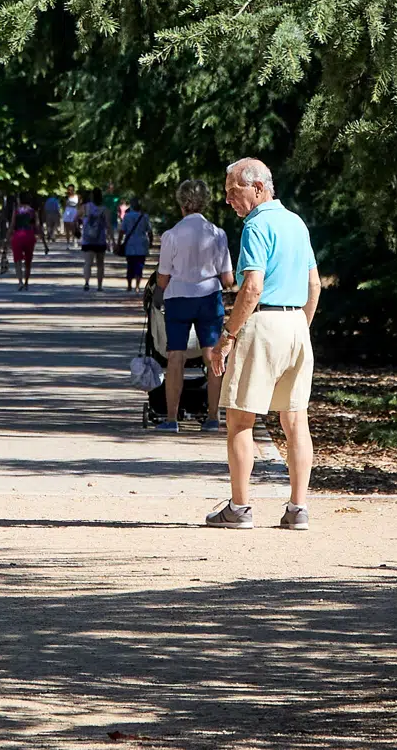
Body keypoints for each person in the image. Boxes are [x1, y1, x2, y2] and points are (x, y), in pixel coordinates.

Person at [206, 158, 320, 532]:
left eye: (232, 191)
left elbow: (252, 287)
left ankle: (239, 508)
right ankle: (298, 509)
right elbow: (314, 285)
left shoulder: (256, 226)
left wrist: (227, 336)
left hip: (264, 323)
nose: (228, 199)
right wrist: (300, 326)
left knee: (240, 419)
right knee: (295, 420)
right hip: (296, 324)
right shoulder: (296, 223)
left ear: (257, 188)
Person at [154, 179, 235, 433]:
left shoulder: (171, 235)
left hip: (178, 299)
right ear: (205, 203)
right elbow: (228, 279)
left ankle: (171, 419)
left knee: (175, 357)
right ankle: (212, 417)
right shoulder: (217, 234)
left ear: (181, 204)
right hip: (209, 299)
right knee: (212, 357)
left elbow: (163, 278)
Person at [116, 196, 152, 291]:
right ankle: (137, 286)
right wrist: (150, 242)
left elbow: (122, 231)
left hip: (130, 244)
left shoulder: (127, 216)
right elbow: (149, 231)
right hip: (142, 244)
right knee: (139, 265)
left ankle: (129, 285)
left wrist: (118, 243)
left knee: (130, 265)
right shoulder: (144, 217)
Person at [79, 187, 111, 291]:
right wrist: (111, 241)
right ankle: (99, 285)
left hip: (88, 239)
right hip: (100, 240)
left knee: (88, 263)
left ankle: (86, 282)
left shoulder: (85, 207)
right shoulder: (105, 209)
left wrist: (78, 228)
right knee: (100, 264)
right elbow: (108, 226)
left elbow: (75, 218)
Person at [9, 192, 39, 290]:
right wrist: (44, 243)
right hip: (29, 236)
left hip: (18, 236)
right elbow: (37, 226)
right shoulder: (33, 212)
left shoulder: (16, 211)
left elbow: (12, 225)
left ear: (20, 200)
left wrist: (7, 238)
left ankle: (20, 282)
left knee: (17, 260)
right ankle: (26, 282)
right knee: (28, 261)